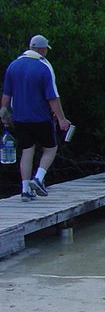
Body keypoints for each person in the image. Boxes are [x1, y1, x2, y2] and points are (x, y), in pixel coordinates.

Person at [0, 35, 72, 201]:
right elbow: (53, 97)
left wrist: (4, 115)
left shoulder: (13, 65)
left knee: (27, 150)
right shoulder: (44, 66)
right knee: (50, 148)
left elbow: (6, 95)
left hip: (19, 118)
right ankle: (38, 179)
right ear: (41, 49)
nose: (46, 52)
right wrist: (62, 119)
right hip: (40, 116)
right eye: (46, 49)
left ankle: (25, 190)